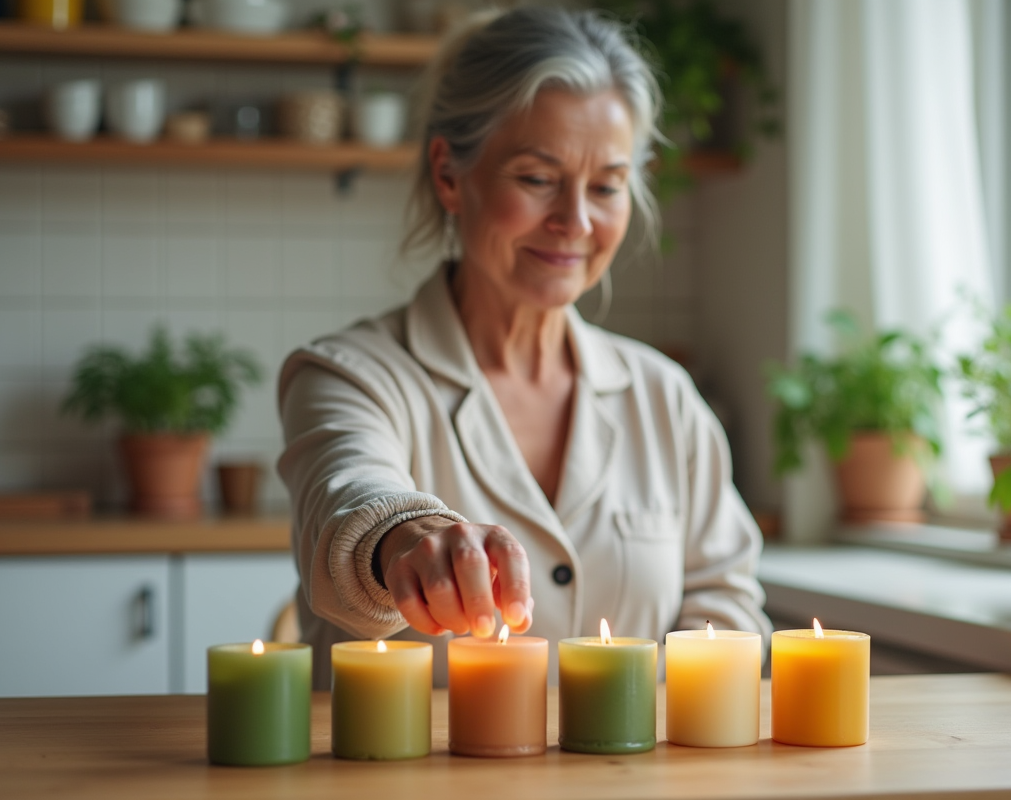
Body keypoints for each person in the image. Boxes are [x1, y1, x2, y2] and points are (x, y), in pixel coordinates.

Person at [278, 6, 770, 688]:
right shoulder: (349, 377)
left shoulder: (664, 397)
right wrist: (408, 541)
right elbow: (351, 502)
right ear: (450, 174)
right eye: (537, 179)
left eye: (606, 186)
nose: (575, 221)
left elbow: (725, 598)